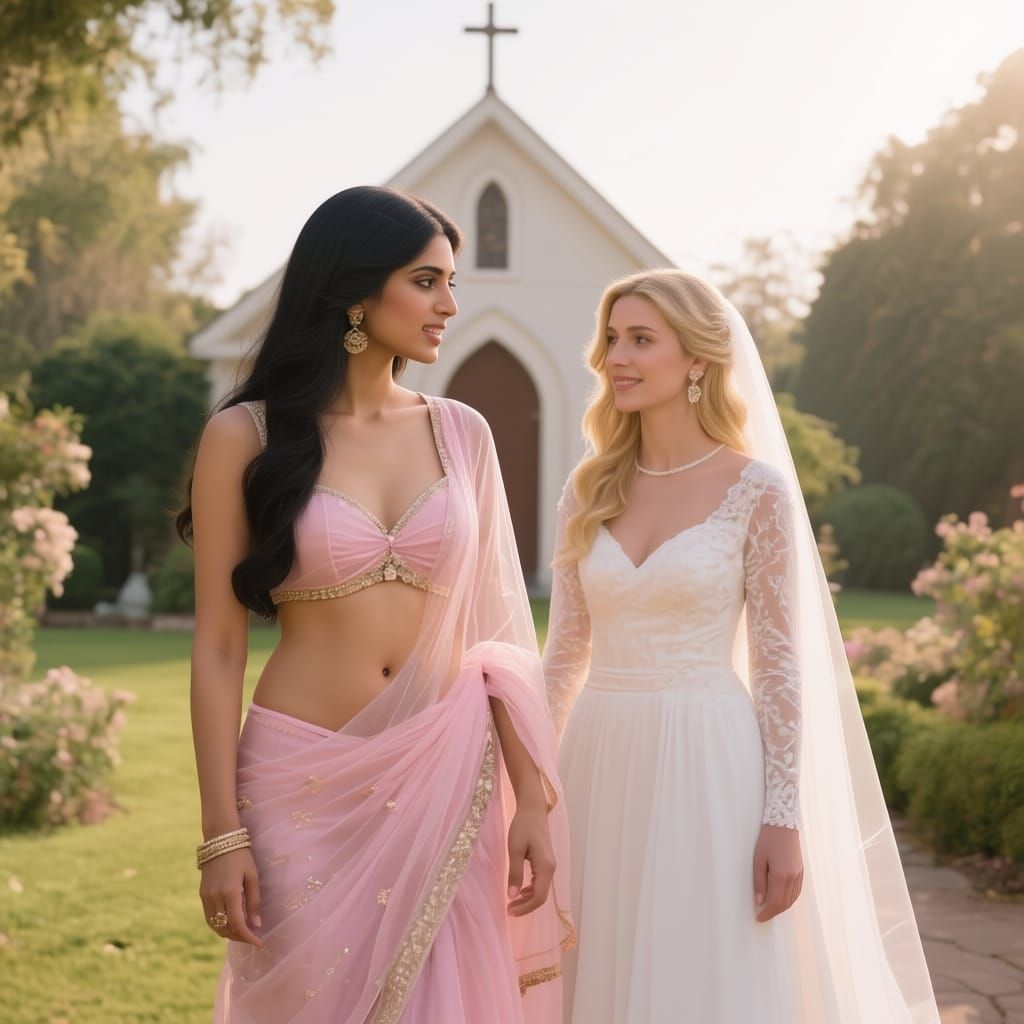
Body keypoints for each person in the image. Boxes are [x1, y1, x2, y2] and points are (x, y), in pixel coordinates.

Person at [177, 186, 573, 1023]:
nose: (451, 306)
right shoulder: (246, 438)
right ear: (356, 290)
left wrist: (531, 796)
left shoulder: (462, 431)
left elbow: (495, 634)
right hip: (300, 786)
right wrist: (222, 833)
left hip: (448, 769)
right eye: (427, 281)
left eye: (451, 282)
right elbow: (217, 646)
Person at [542, 269, 939, 1023]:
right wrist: (531, 787)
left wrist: (783, 817)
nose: (616, 358)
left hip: (706, 759)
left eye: (640, 340)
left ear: (696, 359)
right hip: (596, 754)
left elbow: (780, 662)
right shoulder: (587, 490)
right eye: (612, 340)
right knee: (593, 965)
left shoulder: (754, 489)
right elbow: (563, 653)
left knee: (700, 969)